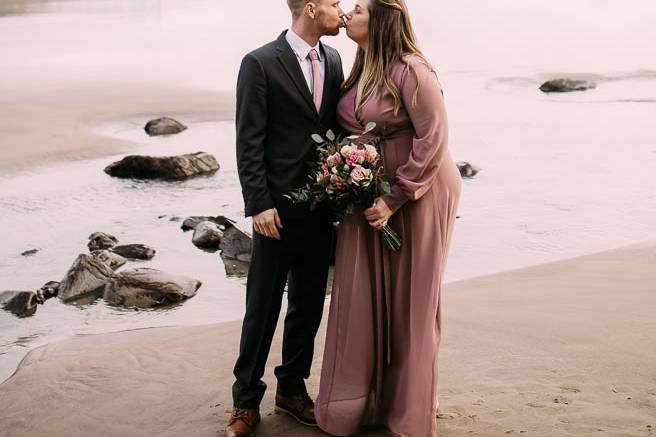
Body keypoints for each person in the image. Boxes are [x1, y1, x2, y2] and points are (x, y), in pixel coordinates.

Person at [315, 0, 462, 436]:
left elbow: (433, 136)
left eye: (357, 8)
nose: (348, 13)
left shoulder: (413, 70)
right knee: (363, 294)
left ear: (379, 20)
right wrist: (343, 178)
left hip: (419, 193)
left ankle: (408, 410)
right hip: (366, 195)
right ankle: (364, 403)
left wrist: (396, 196)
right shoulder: (358, 70)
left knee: (410, 299)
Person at [226, 1, 345, 436]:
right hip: (274, 211)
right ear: (311, 9)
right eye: (334, 4)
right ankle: (244, 401)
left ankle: (292, 390)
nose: (341, 11)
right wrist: (258, 204)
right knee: (262, 306)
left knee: (309, 305)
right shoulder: (259, 63)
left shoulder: (333, 59)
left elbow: (335, 127)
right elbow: (248, 138)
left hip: (320, 211)